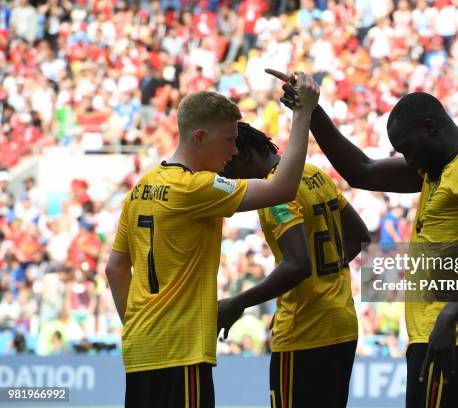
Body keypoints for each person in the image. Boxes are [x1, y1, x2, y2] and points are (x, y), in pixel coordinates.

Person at [268, 69, 458, 407]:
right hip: (452, 338)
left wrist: (449, 316)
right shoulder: (438, 167)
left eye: (408, 150)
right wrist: (310, 111)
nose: (408, 160)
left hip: (456, 339)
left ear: (431, 128)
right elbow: (361, 171)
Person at [105, 73, 320, 408]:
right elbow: (282, 188)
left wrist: (139, 328)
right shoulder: (195, 187)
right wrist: (303, 113)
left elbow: (115, 268)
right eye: (229, 140)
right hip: (181, 354)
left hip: (140, 351)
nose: (235, 151)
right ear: (201, 137)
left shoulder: (143, 186)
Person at [218, 122, 371, 407]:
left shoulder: (274, 191)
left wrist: (236, 303)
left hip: (304, 333)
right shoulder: (313, 174)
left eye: (232, 169)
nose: (234, 179)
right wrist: (315, 285)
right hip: (341, 324)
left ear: (248, 155)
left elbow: (297, 264)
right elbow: (360, 237)